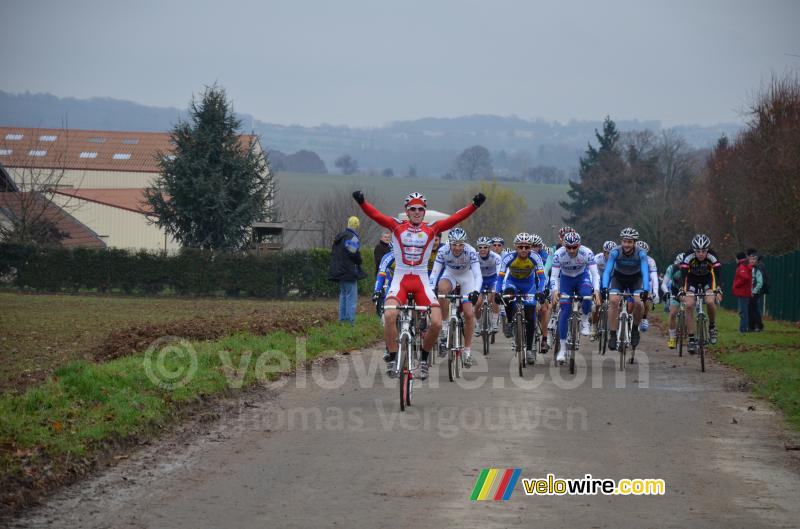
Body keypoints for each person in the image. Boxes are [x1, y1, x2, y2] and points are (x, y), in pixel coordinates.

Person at [353, 190, 485, 380]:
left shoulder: (432, 229)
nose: (416, 212)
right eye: (412, 209)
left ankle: (423, 360)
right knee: (390, 315)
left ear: (424, 211)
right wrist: (362, 202)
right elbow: (376, 215)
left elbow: (456, 218)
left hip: (421, 279)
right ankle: (392, 357)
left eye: (420, 209)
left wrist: (474, 205)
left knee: (438, 323)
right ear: (406, 211)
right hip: (401, 278)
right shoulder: (396, 226)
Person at [430, 227, 483, 367]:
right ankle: (445, 325)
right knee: (441, 290)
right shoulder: (443, 251)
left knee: (468, 313)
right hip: (450, 275)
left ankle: (467, 351)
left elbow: (477, 274)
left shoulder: (471, 251)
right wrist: (430, 288)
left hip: (467, 277)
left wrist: (476, 291)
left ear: (464, 243)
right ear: (450, 243)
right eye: (454, 244)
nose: (457, 248)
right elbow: (434, 273)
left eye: (460, 244)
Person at [495, 232, 548, 365]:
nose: (523, 250)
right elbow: (500, 277)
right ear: (515, 247)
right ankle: (509, 321)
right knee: (507, 295)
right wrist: (497, 292)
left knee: (530, 317)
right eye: (520, 247)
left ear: (530, 247)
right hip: (512, 283)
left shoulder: (535, 257)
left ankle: (529, 349)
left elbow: (542, 278)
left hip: (529, 286)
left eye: (526, 247)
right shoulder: (508, 258)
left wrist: (541, 291)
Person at [550, 231, 600, 364]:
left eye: (574, 247)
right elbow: (554, 276)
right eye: (568, 247)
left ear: (579, 245)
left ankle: (585, 321)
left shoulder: (587, 253)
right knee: (565, 311)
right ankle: (562, 348)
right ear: (564, 245)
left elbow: (595, 274)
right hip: (566, 279)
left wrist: (597, 290)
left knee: (587, 296)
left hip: (582, 277)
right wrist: (555, 291)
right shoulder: (558, 254)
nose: (571, 250)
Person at [601, 227, 650, 350]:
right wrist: (605, 287)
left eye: (629, 242)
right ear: (621, 241)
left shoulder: (641, 253)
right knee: (613, 301)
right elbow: (607, 271)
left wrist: (646, 289)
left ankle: (635, 329)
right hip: (619, 280)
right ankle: (612, 334)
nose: (626, 244)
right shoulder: (615, 252)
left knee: (639, 303)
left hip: (635, 280)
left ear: (634, 243)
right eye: (624, 241)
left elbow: (645, 272)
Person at [676, 234, 722, 353]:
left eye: (704, 251)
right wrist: (681, 288)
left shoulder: (712, 255)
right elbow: (683, 274)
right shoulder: (688, 255)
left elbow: (719, 273)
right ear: (694, 250)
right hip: (692, 280)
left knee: (710, 302)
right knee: (689, 305)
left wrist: (718, 288)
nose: (701, 254)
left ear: (708, 250)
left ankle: (712, 327)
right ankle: (691, 339)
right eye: (698, 251)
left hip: (707, 280)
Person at [328, 216, 367, 325]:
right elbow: (353, 253)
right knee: (351, 297)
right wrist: (359, 260)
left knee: (343, 295)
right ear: (357, 225)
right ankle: (350, 322)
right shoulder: (352, 237)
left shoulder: (339, 237)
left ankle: (342, 320)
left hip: (339, 270)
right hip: (349, 271)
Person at [474, 236, 502, 335]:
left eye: (485, 247)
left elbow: (499, 274)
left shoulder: (496, 257)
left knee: (494, 296)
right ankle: (478, 323)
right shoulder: (474, 256)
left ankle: (494, 322)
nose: (482, 250)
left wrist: (499, 286)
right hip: (480, 280)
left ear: (489, 248)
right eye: (480, 247)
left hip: (493, 279)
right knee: (477, 303)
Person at [635, 241, 659, 332]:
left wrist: (655, 292)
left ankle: (644, 317)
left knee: (646, 299)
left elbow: (654, 277)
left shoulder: (650, 261)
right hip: (633, 280)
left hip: (645, 282)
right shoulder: (630, 258)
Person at [664, 253, 686, 348]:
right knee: (673, 313)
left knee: (688, 310)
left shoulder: (690, 269)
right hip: (675, 291)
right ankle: (672, 337)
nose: (681, 266)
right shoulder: (671, 268)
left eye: (683, 264)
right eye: (679, 264)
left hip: (688, 290)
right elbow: (664, 283)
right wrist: (666, 292)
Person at [731, 251, 753, 333]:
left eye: (736, 259)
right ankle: (744, 327)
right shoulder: (745, 265)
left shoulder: (742, 267)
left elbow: (745, 278)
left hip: (743, 292)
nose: (736, 260)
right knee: (744, 311)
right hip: (745, 292)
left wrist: (736, 285)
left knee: (743, 311)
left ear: (739, 259)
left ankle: (743, 329)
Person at [747, 249, 766, 332]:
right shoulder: (749, 268)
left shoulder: (757, 269)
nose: (752, 260)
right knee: (750, 310)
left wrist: (754, 291)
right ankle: (752, 327)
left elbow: (760, 283)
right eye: (750, 259)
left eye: (754, 259)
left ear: (757, 260)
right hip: (749, 293)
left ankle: (759, 326)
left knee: (755, 310)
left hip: (755, 293)